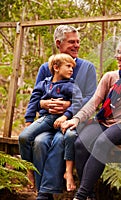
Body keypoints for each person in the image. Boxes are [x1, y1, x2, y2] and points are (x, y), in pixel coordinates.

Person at [60, 37, 121, 200]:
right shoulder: (110, 76)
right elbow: (94, 102)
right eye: (116, 52)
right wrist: (76, 119)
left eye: (120, 53)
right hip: (104, 121)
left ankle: (80, 196)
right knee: (80, 144)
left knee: (102, 142)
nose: (116, 56)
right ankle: (89, 195)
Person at [25, 25, 97, 199]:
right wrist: (44, 103)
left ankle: (44, 193)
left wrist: (67, 107)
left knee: (59, 141)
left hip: (72, 122)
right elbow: (37, 94)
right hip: (49, 120)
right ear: (59, 43)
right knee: (40, 142)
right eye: (71, 42)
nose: (76, 45)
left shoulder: (87, 67)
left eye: (78, 41)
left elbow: (91, 97)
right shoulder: (46, 67)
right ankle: (44, 192)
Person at [18, 53, 82, 193]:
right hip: (46, 119)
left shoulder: (71, 85)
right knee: (23, 137)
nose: (72, 69)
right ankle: (30, 169)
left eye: (73, 67)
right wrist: (29, 121)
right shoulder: (44, 84)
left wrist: (66, 115)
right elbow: (33, 102)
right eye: (68, 66)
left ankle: (47, 190)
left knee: (58, 141)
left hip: (63, 121)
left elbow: (78, 102)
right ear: (56, 67)